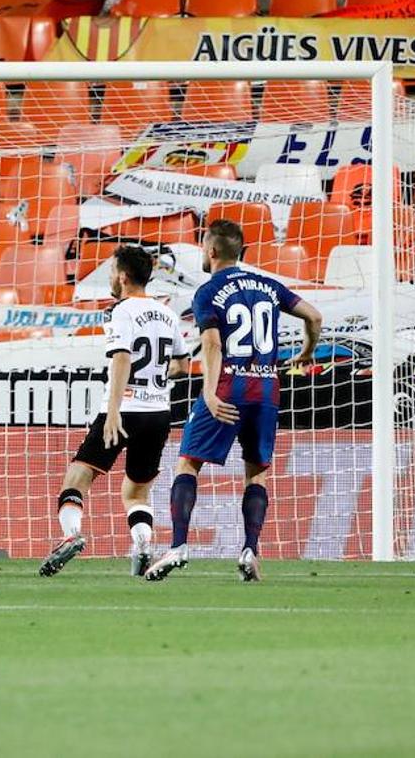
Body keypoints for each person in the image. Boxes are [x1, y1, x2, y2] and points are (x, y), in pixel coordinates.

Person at [145, 220, 323, 583]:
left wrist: (209, 392)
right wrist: (306, 352)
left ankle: (178, 546)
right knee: (256, 472)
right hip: (266, 390)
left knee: (188, 464)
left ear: (211, 251)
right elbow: (314, 316)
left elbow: (211, 344)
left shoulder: (208, 291)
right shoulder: (268, 285)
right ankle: (250, 550)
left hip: (229, 386)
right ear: (240, 251)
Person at [39, 246, 182, 578]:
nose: (109, 278)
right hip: (159, 412)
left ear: (122, 276)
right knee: (135, 491)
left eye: (110, 271)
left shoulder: (120, 311)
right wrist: (155, 377)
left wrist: (115, 410)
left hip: (124, 409)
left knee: (78, 476)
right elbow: (181, 364)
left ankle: (71, 535)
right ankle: (144, 543)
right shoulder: (168, 313)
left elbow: (121, 358)